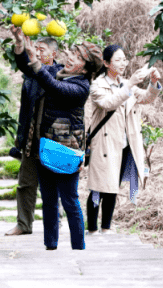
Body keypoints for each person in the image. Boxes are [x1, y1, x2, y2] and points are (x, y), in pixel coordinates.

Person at [12, 25, 101, 251]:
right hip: (46, 148)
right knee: (49, 201)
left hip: (65, 152)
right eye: (71, 53)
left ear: (85, 67)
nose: (70, 57)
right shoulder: (58, 71)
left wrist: (36, 61)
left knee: (70, 202)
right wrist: (21, 45)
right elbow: (31, 69)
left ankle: (77, 248)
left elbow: (52, 86)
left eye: (77, 57)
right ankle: (50, 246)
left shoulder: (80, 87)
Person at [86, 44, 160, 234]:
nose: (123, 63)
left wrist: (153, 83)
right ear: (106, 63)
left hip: (123, 144)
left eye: (124, 60)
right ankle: (92, 228)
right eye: (117, 60)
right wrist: (130, 84)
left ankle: (106, 227)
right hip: (104, 143)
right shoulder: (98, 85)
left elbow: (146, 98)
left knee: (113, 186)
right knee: (98, 187)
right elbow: (108, 103)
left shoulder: (126, 84)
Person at [6, 37, 61, 236]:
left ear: (53, 54)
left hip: (52, 138)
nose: (36, 52)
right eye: (35, 48)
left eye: (41, 49)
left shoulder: (60, 73)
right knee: (26, 184)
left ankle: (55, 223)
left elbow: (47, 77)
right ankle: (23, 224)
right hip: (31, 138)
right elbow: (25, 66)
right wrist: (20, 45)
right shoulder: (31, 75)